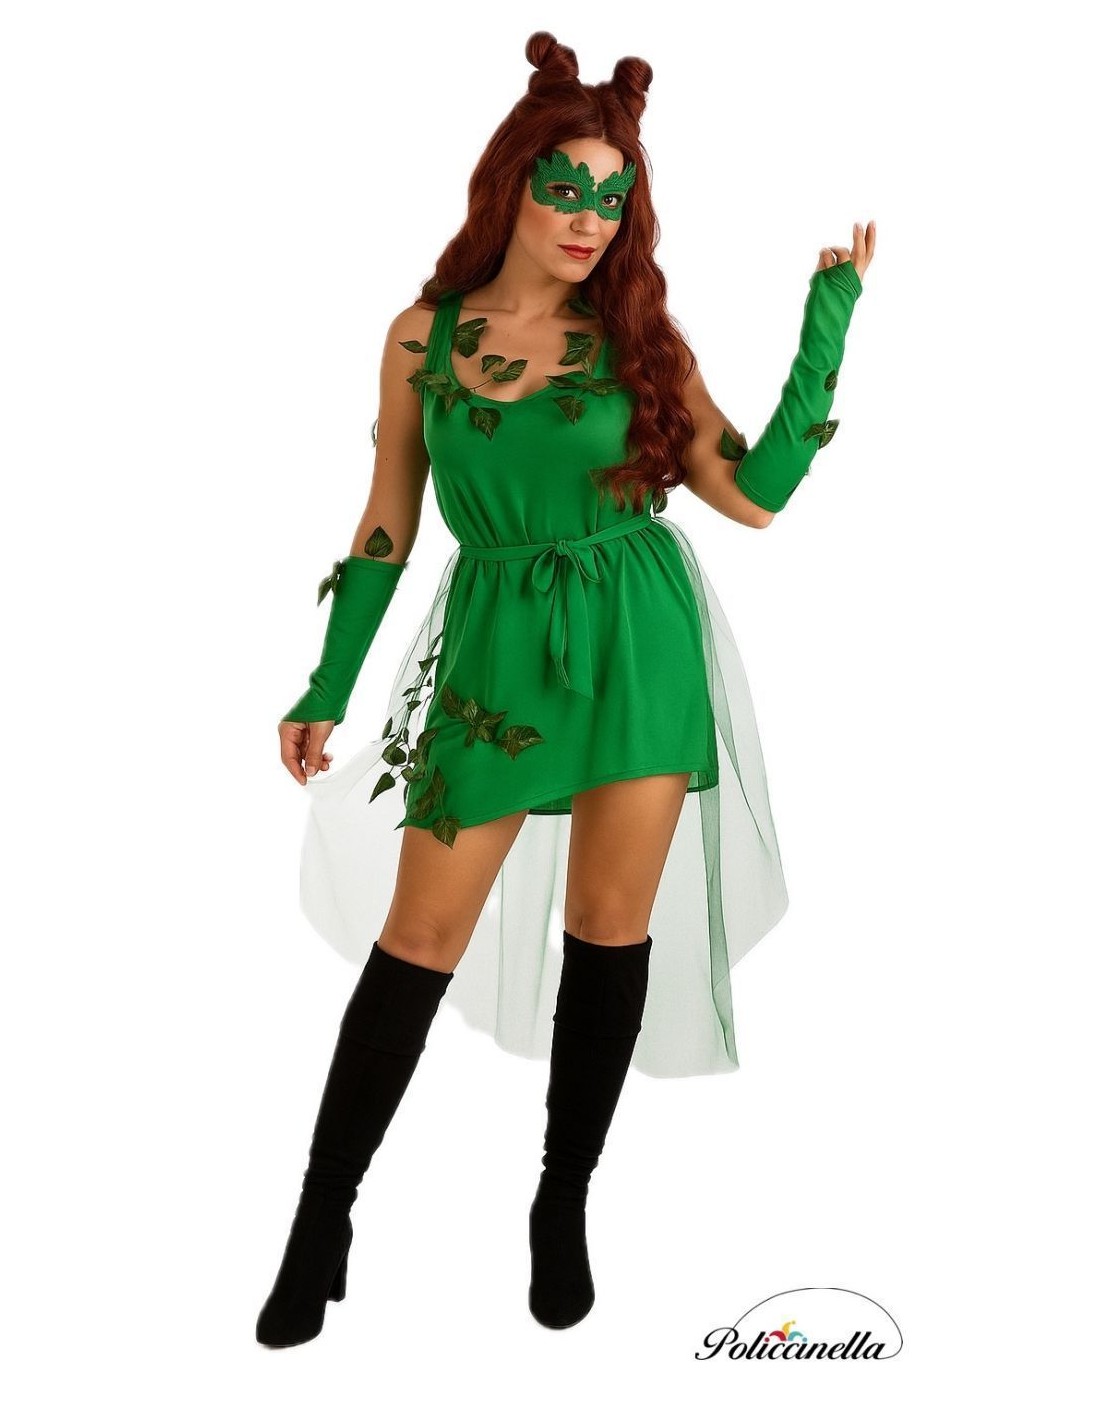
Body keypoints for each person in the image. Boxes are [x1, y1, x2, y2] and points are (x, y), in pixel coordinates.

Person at [256, 29, 875, 1348]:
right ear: (512, 184)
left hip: (640, 644)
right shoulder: (424, 338)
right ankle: (320, 1219)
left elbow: (753, 497)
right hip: (495, 649)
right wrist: (326, 682)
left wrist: (827, 324)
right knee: (418, 938)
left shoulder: (640, 337)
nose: (590, 217)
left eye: (613, 195)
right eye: (567, 188)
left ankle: (561, 1203)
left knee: (606, 926)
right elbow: (386, 523)